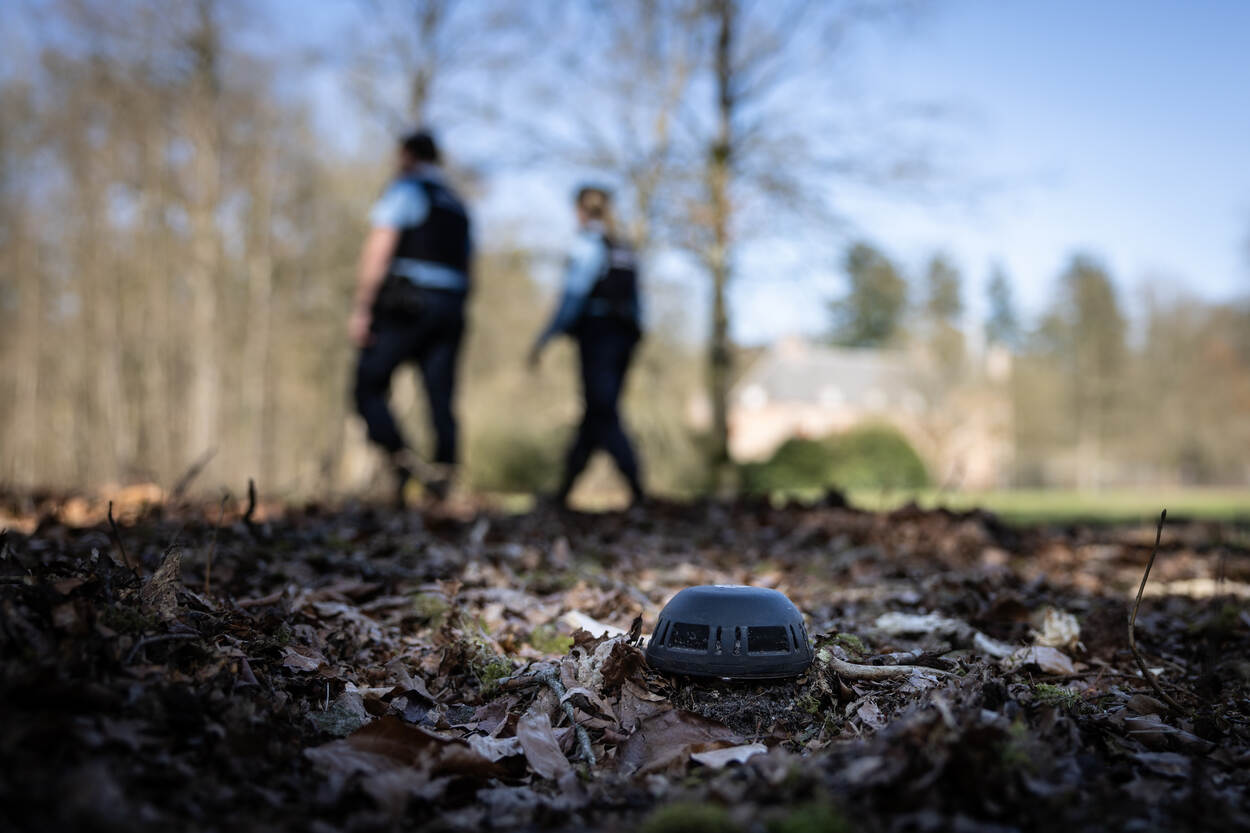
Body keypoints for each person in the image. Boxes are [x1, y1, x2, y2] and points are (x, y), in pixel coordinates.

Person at [350, 130, 471, 505]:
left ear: (407, 155)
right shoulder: (458, 204)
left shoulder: (406, 190)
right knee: (440, 398)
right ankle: (444, 478)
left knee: (366, 386)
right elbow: (469, 266)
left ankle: (402, 461)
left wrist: (363, 306)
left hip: (408, 302)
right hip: (451, 306)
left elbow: (379, 248)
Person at [529, 185, 644, 508]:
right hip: (624, 336)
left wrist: (545, 338)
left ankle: (637, 485)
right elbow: (638, 303)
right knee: (597, 412)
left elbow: (573, 296)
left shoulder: (587, 244)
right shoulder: (623, 248)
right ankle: (564, 490)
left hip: (598, 336)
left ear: (580, 210)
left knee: (602, 411)